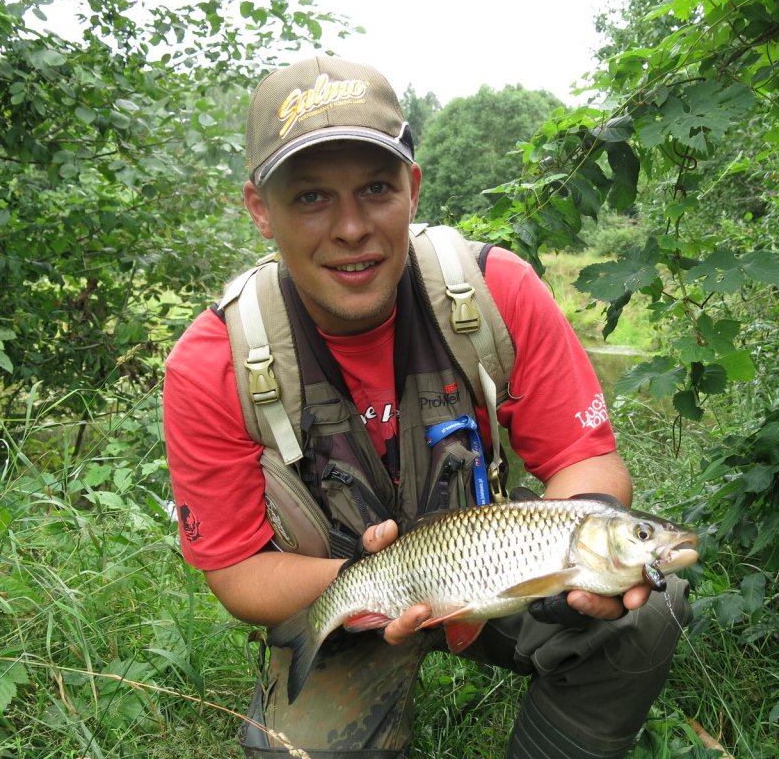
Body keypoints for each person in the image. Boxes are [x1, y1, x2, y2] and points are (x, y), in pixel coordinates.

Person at [163, 55, 692, 759]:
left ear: (413, 188)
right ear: (260, 207)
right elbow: (238, 572)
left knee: (646, 609)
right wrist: (388, 582)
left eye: (376, 188)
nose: (351, 227)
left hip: (500, 575)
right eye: (312, 198)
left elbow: (587, 460)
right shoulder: (213, 362)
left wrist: (575, 568)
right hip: (349, 591)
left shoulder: (494, 290)